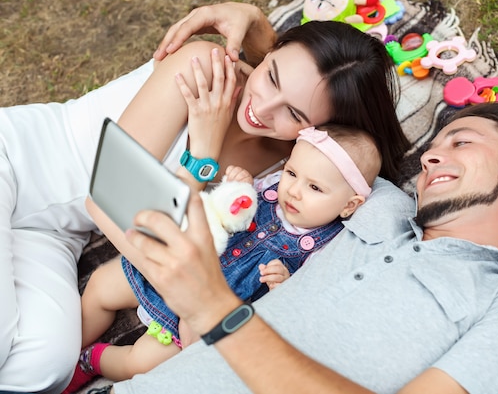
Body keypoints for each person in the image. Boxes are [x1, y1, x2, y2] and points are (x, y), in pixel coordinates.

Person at [0, 2, 410, 392]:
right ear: (271, 52)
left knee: (42, 370)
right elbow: (104, 197)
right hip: (15, 162)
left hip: (56, 234)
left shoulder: (291, 168)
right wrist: (203, 156)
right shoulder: (204, 69)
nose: (263, 108)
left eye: (295, 114)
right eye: (271, 77)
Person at [107, 102, 498, 394]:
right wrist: (254, 33)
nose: (430, 156)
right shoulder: (382, 203)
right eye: (433, 145)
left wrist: (215, 311)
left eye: (462, 142)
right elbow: (323, 110)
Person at [65, 124, 381, 392]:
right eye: (292, 172)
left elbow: (299, 302)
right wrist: (238, 185)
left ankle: (93, 359)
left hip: (191, 318)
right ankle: (65, 349)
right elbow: (222, 206)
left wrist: (282, 284)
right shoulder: (270, 190)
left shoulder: (325, 248)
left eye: (314, 187)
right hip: (168, 263)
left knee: (142, 363)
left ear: (349, 205)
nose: (294, 191)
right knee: (101, 286)